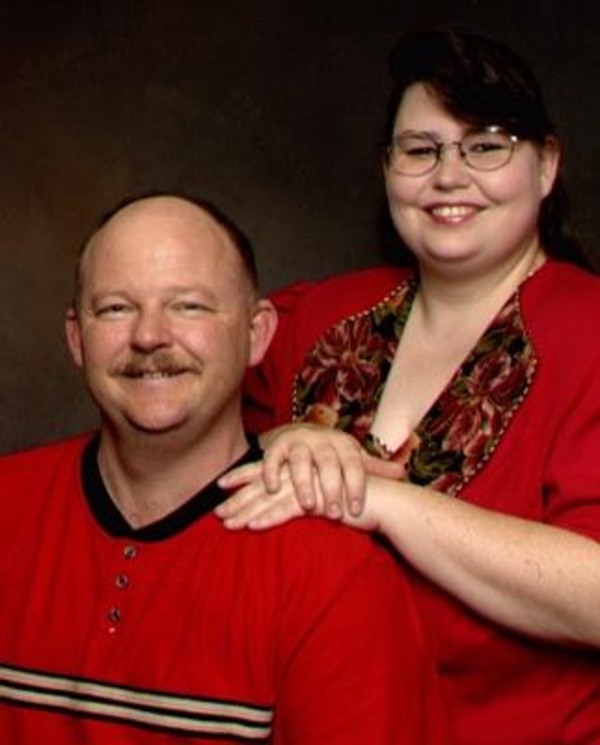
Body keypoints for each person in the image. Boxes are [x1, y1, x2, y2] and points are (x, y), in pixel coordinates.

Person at [216, 29, 600, 744]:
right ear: (387, 168)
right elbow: (183, 457)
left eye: (485, 146)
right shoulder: (317, 316)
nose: (449, 175)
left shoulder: (590, 331)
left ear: (546, 166)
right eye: (421, 150)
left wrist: (380, 501)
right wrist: (280, 441)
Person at [0, 194, 450, 743]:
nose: (149, 335)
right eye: (116, 308)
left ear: (257, 334)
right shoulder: (8, 507)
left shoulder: (337, 575)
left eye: (189, 306)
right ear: (77, 338)